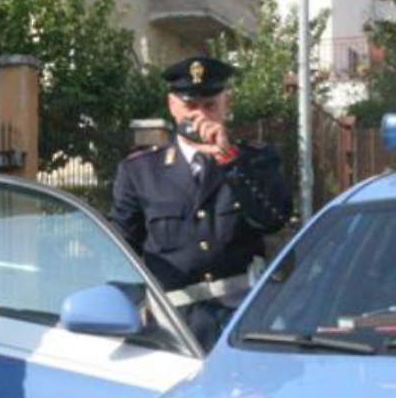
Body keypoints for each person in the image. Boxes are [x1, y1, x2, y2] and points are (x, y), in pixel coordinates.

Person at [109, 55, 292, 349]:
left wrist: (227, 159)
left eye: (210, 106)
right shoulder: (140, 171)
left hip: (242, 317)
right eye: (190, 106)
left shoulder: (254, 159)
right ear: (172, 106)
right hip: (175, 327)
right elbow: (119, 250)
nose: (200, 116)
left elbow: (272, 218)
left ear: (226, 104)